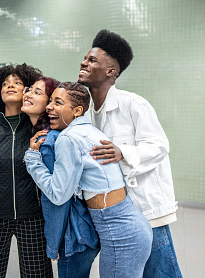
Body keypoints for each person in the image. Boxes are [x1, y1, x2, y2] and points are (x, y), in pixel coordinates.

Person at [79, 29, 182, 277]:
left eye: (92, 60)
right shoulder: (86, 112)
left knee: (160, 271)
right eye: (85, 58)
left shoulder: (133, 104)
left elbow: (159, 146)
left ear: (111, 71)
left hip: (144, 207)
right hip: (114, 213)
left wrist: (121, 152)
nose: (84, 62)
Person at [25, 81, 153, 278]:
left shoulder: (69, 139)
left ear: (77, 110)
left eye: (58, 102)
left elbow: (58, 195)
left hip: (120, 233)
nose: (49, 106)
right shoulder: (90, 131)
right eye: (50, 101)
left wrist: (32, 160)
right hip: (129, 225)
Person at [0, 64, 53, 278]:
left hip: (33, 217)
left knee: (37, 274)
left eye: (18, 82)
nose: (10, 85)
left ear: (27, 91)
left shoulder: (37, 128)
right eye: (5, 83)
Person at [21, 76, 99, 278]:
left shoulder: (49, 140)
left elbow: (56, 198)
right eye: (29, 90)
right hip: (83, 229)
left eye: (39, 94)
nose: (28, 94)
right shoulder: (56, 134)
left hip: (73, 235)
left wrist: (53, 243)